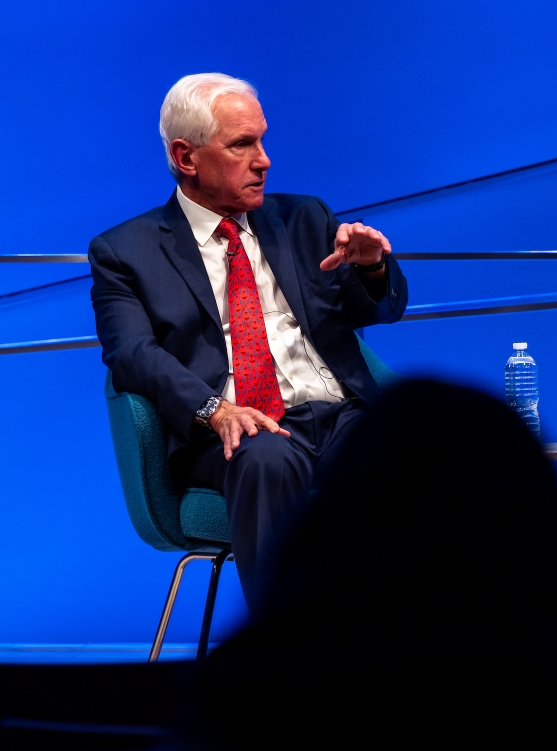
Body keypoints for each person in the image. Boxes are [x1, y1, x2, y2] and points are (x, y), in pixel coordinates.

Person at [140, 380, 557, 751]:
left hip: (330, 423)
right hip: (243, 438)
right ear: (550, 541)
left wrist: (371, 272)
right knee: (269, 459)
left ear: (320, 542)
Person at [90, 73, 408, 607]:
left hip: (339, 414)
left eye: (262, 140)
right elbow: (131, 354)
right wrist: (214, 410)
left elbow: (373, 311)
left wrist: (372, 267)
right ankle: (286, 645)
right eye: (242, 144)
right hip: (233, 432)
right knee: (265, 460)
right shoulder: (126, 251)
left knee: (423, 444)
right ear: (186, 157)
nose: (264, 160)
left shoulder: (304, 218)